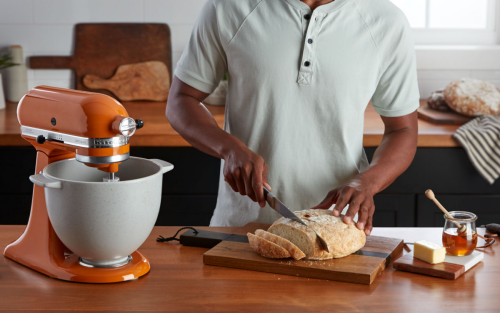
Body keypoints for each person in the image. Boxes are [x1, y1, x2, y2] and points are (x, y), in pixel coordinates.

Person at [166, 0, 419, 235]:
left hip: (336, 230)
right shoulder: (228, 7)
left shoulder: (386, 21)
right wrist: (230, 148)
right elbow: (181, 99)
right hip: (242, 229)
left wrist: (368, 182)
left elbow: (403, 130)